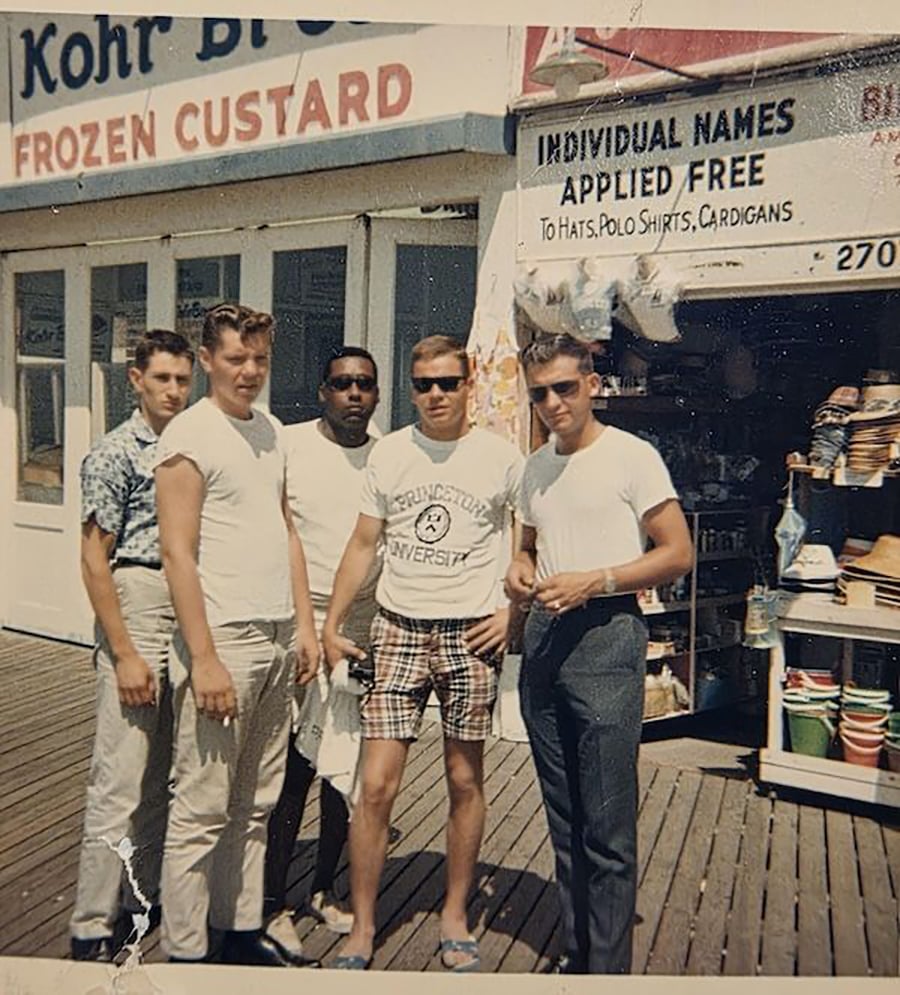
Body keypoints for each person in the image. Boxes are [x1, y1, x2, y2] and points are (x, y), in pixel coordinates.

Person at [322, 334, 522, 972]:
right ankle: (363, 924)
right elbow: (362, 544)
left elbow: (530, 541)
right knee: (375, 787)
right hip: (398, 628)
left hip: (470, 634)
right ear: (410, 389)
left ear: (469, 387)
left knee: (465, 779)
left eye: (447, 383)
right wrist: (330, 621)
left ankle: (455, 914)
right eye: (423, 384)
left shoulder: (502, 457)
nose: (435, 395)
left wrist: (510, 611)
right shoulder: (389, 455)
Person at [505, 333, 693, 975]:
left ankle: (606, 973)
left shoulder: (631, 457)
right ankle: (578, 951)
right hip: (544, 642)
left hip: (609, 637)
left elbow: (677, 552)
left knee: (607, 824)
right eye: (539, 393)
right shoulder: (534, 466)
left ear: (591, 383)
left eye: (563, 387)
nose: (553, 403)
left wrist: (597, 580)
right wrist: (518, 568)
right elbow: (527, 544)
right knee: (564, 817)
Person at [154, 304, 320, 967]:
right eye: (235, 359)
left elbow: (286, 529)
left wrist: (305, 624)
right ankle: (188, 953)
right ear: (206, 361)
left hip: (278, 635)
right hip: (222, 639)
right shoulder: (189, 438)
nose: (249, 372)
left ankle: (241, 926)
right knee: (201, 805)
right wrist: (204, 659)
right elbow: (176, 554)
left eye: (259, 359)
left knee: (256, 799)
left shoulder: (272, 430)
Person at [70, 330, 194, 962]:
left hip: (187, 603)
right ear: (136, 380)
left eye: (182, 378)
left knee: (163, 776)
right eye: (162, 378)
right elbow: (95, 561)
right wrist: (124, 653)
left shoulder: (192, 446)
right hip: (138, 600)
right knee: (119, 775)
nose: (174, 390)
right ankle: (91, 924)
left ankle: (138, 902)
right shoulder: (115, 453)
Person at [262, 346, 381, 961]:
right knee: (292, 771)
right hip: (301, 626)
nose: (353, 394)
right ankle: (272, 902)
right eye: (341, 384)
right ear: (321, 392)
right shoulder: (292, 447)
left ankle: (324, 887)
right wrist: (307, 628)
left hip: (362, 630)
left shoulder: (386, 455)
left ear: (377, 393)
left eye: (364, 384)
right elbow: (274, 530)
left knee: (346, 771)